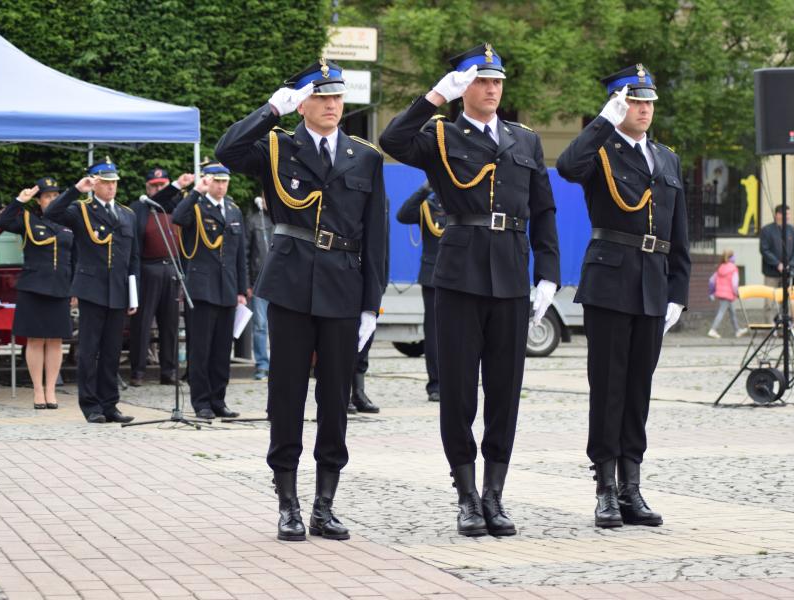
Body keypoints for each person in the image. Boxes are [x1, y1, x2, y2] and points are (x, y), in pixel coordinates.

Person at [380, 43, 560, 537]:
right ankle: (465, 494)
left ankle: (494, 495)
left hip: (509, 273)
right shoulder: (439, 134)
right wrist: (436, 95)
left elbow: (543, 208)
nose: (492, 89)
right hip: (459, 273)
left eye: (498, 81)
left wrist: (548, 271)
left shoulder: (525, 140)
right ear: (465, 87)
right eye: (482, 81)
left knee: (504, 392)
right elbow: (392, 139)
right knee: (458, 392)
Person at [215, 58, 387, 542]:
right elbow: (227, 150)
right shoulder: (276, 146)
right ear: (303, 103)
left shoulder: (364, 155)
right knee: (285, 398)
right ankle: (287, 502)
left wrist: (371, 304)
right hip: (291, 283)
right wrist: (272, 108)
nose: (332, 105)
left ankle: (325, 504)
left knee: (335, 401)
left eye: (337, 97)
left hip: (343, 288)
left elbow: (376, 237)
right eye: (321, 97)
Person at [556, 64, 691, 528]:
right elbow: (567, 166)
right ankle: (605, 488)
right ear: (618, 103)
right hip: (611, 282)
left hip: (653, 282)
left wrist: (678, 290)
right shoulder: (601, 150)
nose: (645, 110)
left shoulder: (666, 159)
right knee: (608, 389)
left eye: (649, 102)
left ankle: (633, 486)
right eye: (636, 102)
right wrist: (602, 121)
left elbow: (680, 232)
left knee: (638, 390)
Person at [43, 158, 139, 424]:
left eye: (114, 183)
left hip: (118, 291)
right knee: (89, 350)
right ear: (95, 183)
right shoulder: (80, 210)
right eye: (106, 182)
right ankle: (90, 405)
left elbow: (134, 259)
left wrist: (134, 294)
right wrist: (76, 189)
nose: (111, 188)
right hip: (92, 289)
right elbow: (51, 213)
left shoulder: (126, 214)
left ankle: (110, 404)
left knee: (112, 351)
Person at [172, 162, 248, 420]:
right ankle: (201, 402)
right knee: (201, 350)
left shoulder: (234, 210)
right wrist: (196, 191)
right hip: (202, 289)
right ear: (207, 181)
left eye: (224, 181)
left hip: (227, 289)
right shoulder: (195, 205)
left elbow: (240, 255)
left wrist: (241, 289)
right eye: (216, 181)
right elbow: (177, 218)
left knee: (221, 350)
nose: (221, 186)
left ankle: (219, 399)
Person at [0, 178, 76, 409]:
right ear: (39, 201)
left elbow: (76, 257)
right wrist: (20, 200)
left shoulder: (69, 224)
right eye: (47, 197)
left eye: (55, 196)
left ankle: (51, 389)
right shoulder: (28, 221)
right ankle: (37, 390)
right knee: (34, 339)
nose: (52, 200)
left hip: (60, 287)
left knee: (55, 340)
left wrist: (75, 287)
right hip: (33, 287)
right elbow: (3, 221)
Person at [128, 167, 195, 387]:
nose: (158, 189)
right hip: (148, 268)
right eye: (155, 185)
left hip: (172, 268)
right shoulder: (140, 207)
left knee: (171, 324)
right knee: (143, 323)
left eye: (162, 185)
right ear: (147, 186)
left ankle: (169, 370)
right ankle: (137, 370)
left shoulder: (175, 206)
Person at [396, 181, 444, 402]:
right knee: (434, 334)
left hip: (460, 277)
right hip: (433, 278)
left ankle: (455, 382)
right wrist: (423, 189)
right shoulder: (428, 205)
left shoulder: (459, 203)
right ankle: (435, 384)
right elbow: (403, 215)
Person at [246, 195, 273, 381]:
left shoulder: (282, 219)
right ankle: (262, 364)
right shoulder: (254, 221)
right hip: (259, 281)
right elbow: (245, 253)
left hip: (283, 282)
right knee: (261, 325)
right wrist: (247, 282)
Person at [759, 205, 794, 317]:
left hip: (787, 273)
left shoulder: (791, 230)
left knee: (785, 303)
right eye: (786, 214)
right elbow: (764, 250)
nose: (789, 216)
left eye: (789, 214)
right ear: (778, 215)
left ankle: (784, 330)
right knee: (769, 303)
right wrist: (777, 264)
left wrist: (790, 265)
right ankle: (770, 330)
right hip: (771, 273)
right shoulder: (767, 230)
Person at [707, 250, 747, 339]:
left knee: (732, 312)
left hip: (721, 294)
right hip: (728, 295)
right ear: (731, 257)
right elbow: (734, 283)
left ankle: (737, 330)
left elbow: (711, 280)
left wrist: (712, 293)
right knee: (721, 312)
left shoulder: (720, 267)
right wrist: (736, 293)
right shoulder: (733, 268)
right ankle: (713, 330)